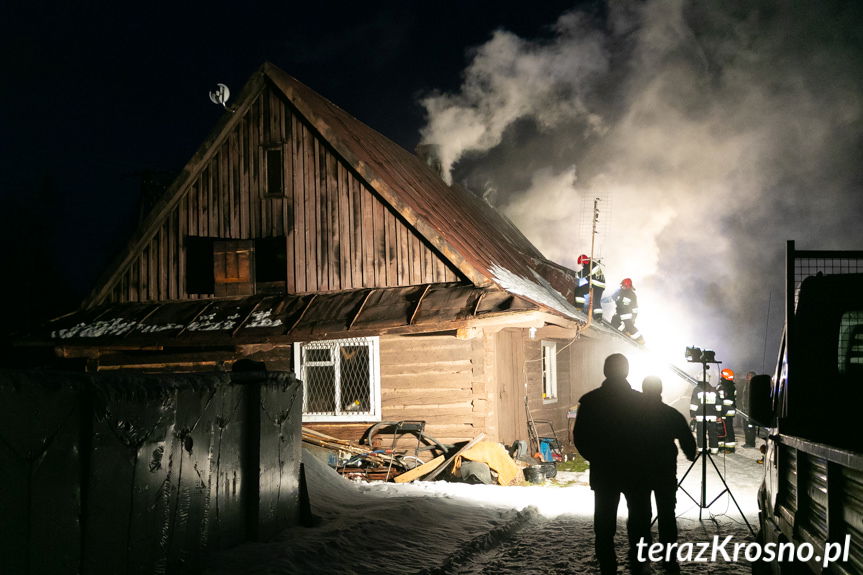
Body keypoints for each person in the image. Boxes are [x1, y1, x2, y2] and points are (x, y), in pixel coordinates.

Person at [574, 354, 651, 575]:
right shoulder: (641, 402)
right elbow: (650, 436)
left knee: (604, 523)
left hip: (604, 471)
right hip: (635, 470)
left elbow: (580, 437)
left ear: (605, 371)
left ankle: (607, 566)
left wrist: (596, 458)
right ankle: (639, 562)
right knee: (639, 519)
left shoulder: (590, 401)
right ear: (626, 371)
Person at [642, 376, 697, 572]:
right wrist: (691, 454)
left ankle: (641, 553)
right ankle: (668, 556)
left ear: (643, 390)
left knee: (640, 513)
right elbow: (687, 441)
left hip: (639, 470)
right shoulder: (670, 414)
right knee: (667, 514)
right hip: (664, 470)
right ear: (660, 390)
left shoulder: (632, 415)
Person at [604, 278, 644, 344]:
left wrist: (633, 318)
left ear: (628, 286)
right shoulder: (620, 292)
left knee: (629, 326)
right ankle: (625, 331)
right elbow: (612, 298)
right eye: (622, 285)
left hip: (627, 316)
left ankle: (640, 339)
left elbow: (635, 308)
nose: (623, 287)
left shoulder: (632, 295)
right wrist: (602, 300)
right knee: (614, 323)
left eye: (624, 286)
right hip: (619, 314)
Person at [690, 379, 721, 454]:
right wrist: (718, 415)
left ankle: (702, 449)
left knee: (701, 434)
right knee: (713, 433)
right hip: (712, 417)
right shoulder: (713, 390)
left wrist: (692, 414)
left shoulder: (697, 389)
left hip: (701, 417)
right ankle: (714, 450)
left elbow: (694, 403)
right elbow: (718, 404)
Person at [574, 254, 606, 321]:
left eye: (582, 263)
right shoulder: (593, 264)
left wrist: (575, 274)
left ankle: (579, 307)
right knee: (596, 301)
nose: (582, 265)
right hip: (600, 286)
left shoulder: (590, 265)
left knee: (579, 290)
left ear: (584, 261)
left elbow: (580, 275)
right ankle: (598, 317)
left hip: (595, 284)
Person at [717, 368, 737, 453]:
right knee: (728, 428)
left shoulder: (723, 386)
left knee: (724, 429)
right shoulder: (732, 386)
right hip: (730, 411)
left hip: (724, 411)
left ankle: (729, 448)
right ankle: (725, 447)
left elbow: (720, 400)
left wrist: (719, 413)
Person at [739, 370, 758, 448]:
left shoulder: (754, 385)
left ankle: (751, 443)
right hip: (744, 409)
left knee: (750, 427)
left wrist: (749, 408)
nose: (747, 377)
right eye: (747, 375)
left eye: (749, 375)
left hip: (750, 410)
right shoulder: (746, 384)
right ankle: (747, 442)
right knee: (745, 426)